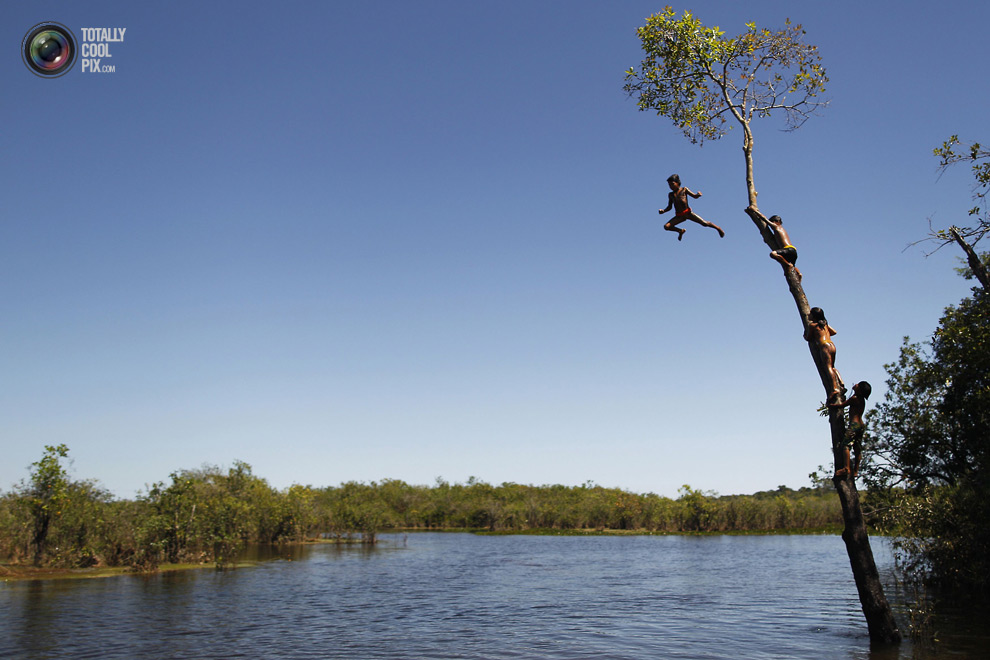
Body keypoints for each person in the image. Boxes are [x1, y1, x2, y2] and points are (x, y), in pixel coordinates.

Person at [659, 174, 725, 241]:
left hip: (688, 213)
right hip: (679, 216)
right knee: (666, 226)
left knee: (704, 223)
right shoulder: (671, 195)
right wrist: (663, 211)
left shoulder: (684, 190)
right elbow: (669, 207)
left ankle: (718, 228)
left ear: (677, 183)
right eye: (669, 185)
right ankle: (680, 231)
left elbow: (694, 196)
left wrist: (698, 195)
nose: (671, 186)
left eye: (672, 184)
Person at [828, 381, 872, 478]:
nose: (855, 384)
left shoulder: (855, 398)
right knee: (857, 448)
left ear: (859, 390)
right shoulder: (861, 400)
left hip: (854, 425)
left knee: (845, 445)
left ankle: (846, 468)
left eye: (857, 385)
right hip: (861, 425)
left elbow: (841, 406)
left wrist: (830, 405)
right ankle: (856, 470)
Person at [804, 307, 843, 398]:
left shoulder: (812, 325)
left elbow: (809, 338)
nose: (808, 315)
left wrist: (804, 336)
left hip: (824, 346)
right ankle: (841, 382)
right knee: (832, 367)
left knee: (828, 367)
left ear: (814, 316)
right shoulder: (825, 325)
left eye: (810, 314)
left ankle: (835, 389)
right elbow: (834, 332)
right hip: (831, 345)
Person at [767, 215, 802, 281]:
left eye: (773, 222)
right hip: (793, 251)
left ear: (777, 222)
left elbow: (764, 219)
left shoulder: (777, 226)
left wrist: (756, 212)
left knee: (773, 254)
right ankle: (799, 273)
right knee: (793, 266)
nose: (772, 224)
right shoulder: (780, 231)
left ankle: (787, 265)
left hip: (788, 249)